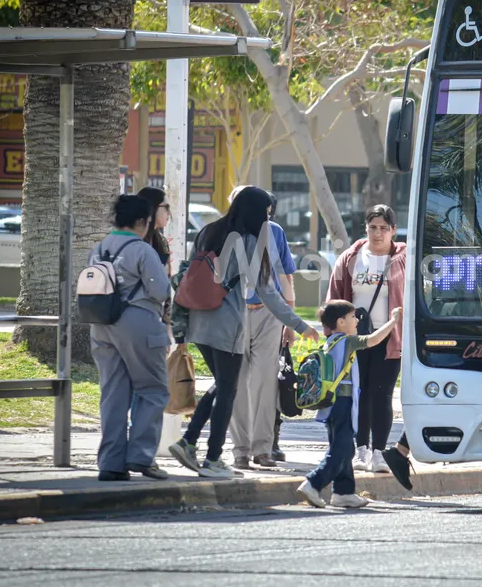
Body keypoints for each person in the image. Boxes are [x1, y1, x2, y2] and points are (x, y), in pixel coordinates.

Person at [169, 186, 321, 479]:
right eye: (265, 212)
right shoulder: (250, 241)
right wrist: (300, 325)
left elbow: (187, 272)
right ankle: (212, 458)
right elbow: (267, 291)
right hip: (226, 324)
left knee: (223, 384)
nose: (267, 218)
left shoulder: (208, 231)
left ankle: (188, 442)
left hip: (198, 322)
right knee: (228, 390)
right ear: (254, 211)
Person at [88, 195, 172, 482]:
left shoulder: (99, 248)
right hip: (138, 323)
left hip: (101, 323)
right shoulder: (142, 250)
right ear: (141, 221)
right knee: (153, 389)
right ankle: (140, 456)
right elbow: (161, 291)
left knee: (113, 393)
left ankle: (110, 463)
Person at [296, 300, 402, 509]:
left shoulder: (330, 342)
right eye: (353, 317)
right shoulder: (348, 341)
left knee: (342, 446)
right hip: (343, 402)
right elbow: (373, 340)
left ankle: (344, 492)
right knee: (342, 448)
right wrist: (393, 321)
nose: (357, 321)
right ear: (341, 321)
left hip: (329, 404)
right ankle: (313, 482)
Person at [327, 204, 407, 474]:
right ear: (366, 228)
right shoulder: (351, 257)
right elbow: (335, 299)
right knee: (359, 394)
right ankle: (360, 450)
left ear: (393, 231)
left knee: (381, 395)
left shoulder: (403, 258)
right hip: (356, 338)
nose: (378, 233)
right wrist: (334, 337)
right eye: (373, 227)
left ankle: (379, 453)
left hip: (389, 337)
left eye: (384, 228)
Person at [227, 190, 298, 469]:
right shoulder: (227, 233)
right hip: (236, 315)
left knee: (266, 384)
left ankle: (263, 449)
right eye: (264, 209)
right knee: (237, 385)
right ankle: (240, 450)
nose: (267, 214)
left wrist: (290, 323)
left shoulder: (275, 232)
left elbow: (285, 276)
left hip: (270, 316)